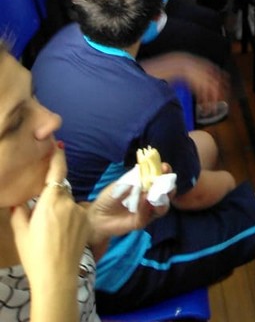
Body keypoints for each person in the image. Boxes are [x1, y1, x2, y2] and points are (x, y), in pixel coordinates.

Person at [31, 0, 255, 321]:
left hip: (70, 232)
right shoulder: (153, 105)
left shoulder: (61, 44)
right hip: (114, 270)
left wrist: (178, 64)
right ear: (154, 17)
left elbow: (120, 77)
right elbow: (190, 197)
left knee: (205, 143)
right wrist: (229, 182)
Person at [0, 41, 161, 322]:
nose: (52, 119)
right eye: (14, 123)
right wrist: (55, 285)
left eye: (33, 95)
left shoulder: (36, 192)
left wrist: (92, 224)